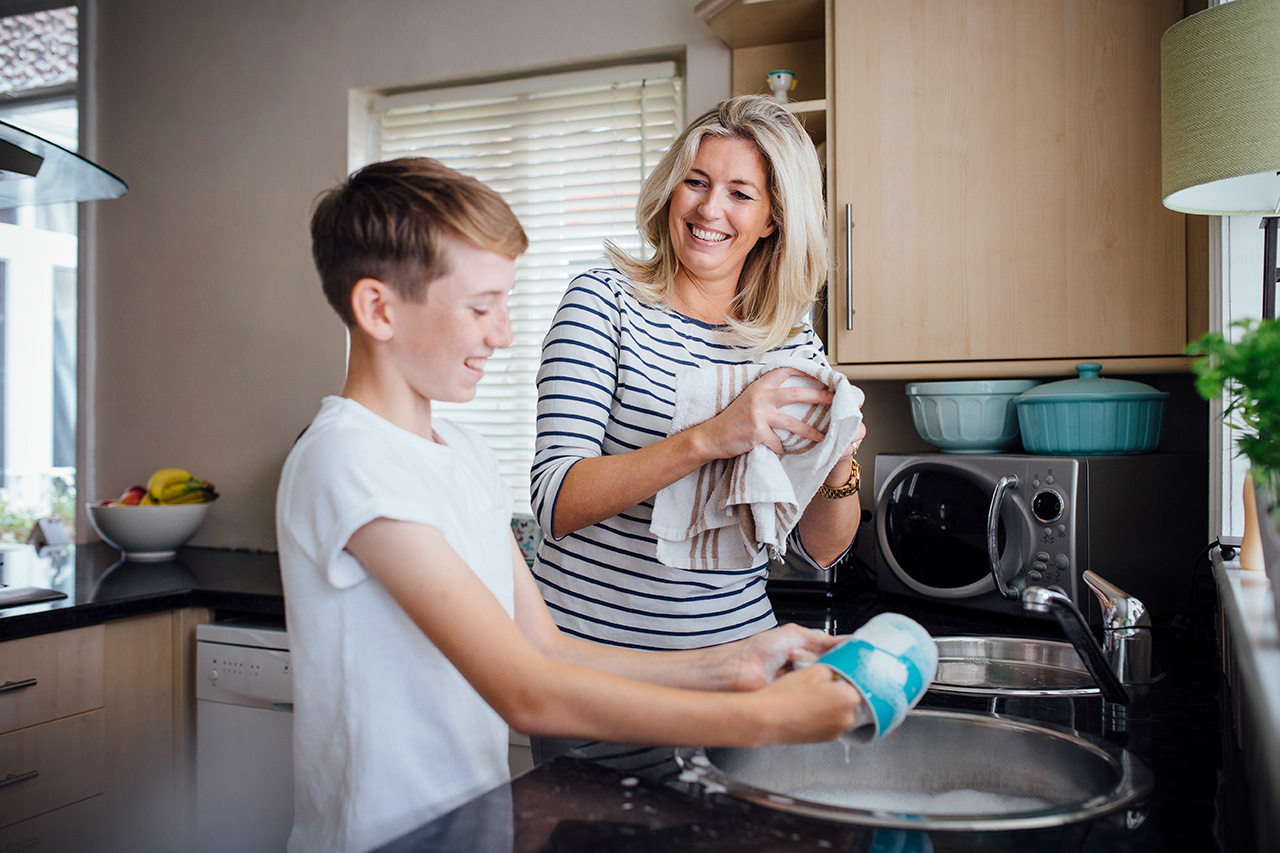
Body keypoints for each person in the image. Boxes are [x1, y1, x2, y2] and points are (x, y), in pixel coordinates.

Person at [277, 157, 864, 853]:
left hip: (474, 828)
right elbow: (526, 691)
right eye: (480, 306)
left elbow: (544, 646)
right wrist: (767, 720)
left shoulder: (460, 450)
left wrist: (738, 664)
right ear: (378, 308)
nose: (504, 333)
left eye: (505, 303)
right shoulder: (348, 459)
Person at [531, 94, 866, 653]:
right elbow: (555, 502)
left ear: (771, 220)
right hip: (596, 671)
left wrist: (839, 463)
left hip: (737, 663)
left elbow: (819, 551)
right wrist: (710, 438)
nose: (710, 210)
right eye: (696, 182)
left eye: (740, 194)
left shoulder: (792, 342)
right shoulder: (604, 303)